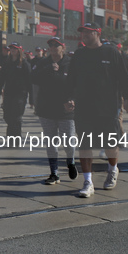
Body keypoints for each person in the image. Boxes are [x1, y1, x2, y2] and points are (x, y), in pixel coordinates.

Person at [65, 22, 128, 198]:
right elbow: (71, 78)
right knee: (85, 145)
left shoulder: (111, 52)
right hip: (84, 107)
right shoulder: (79, 54)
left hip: (108, 107)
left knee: (110, 145)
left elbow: (123, 77)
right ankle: (88, 182)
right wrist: (67, 98)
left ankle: (113, 169)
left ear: (98, 34)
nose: (85, 35)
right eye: (83, 32)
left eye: (88, 33)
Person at [31, 37, 77, 185]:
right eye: (50, 45)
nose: (52, 47)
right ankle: (54, 172)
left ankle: (70, 161)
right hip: (47, 109)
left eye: (56, 45)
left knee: (68, 141)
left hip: (66, 110)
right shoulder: (43, 63)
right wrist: (48, 70)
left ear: (63, 48)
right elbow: (33, 78)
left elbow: (77, 84)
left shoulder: (70, 64)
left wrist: (73, 99)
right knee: (51, 143)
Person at [0, 42, 33, 138]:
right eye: (11, 48)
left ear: (19, 50)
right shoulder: (7, 63)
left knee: (16, 118)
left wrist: (32, 98)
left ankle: (15, 139)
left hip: (20, 94)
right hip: (8, 94)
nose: (12, 50)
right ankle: (11, 136)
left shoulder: (24, 64)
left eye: (15, 48)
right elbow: (1, 78)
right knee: (7, 116)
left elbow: (29, 81)